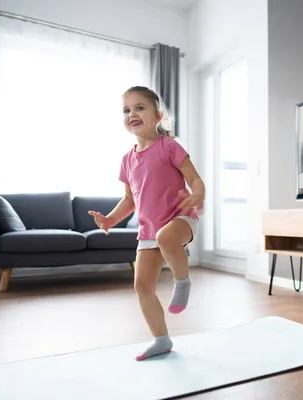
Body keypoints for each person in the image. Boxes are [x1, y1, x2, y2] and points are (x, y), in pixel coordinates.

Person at [88, 86, 205, 361]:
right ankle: (161, 341)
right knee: (141, 287)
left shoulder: (169, 146)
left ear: (157, 116)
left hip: (181, 219)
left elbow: (194, 177)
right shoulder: (127, 160)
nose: (132, 114)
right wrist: (111, 219)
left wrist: (198, 192)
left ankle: (183, 282)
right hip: (148, 231)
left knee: (166, 237)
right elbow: (129, 199)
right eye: (126, 110)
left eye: (140, 107)